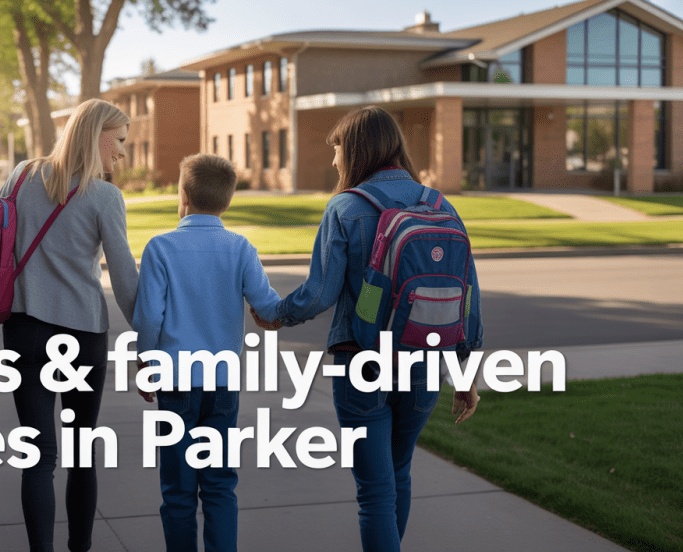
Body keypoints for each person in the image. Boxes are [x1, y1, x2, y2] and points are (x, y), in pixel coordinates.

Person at [257, 106, 483, 552]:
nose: (335, 160)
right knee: (399, 473)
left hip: (360, 358)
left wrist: (277, 315)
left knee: (375, 490)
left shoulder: (346, 207)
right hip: (425, 360)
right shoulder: (440, 205)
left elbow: (320, 294)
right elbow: (467, 294)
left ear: (358, 149)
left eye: (338, 148)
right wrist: (465, 373)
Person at [0, 98, 138, 552]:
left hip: (23, 329)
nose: (121, 152)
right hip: (82, 335)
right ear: (95, 133)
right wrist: (151, 343)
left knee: (37, 457)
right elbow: (124, 280)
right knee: (80, 456)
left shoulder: (21, 175)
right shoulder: (104, 196)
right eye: (118, 140)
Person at [133, 153, 281, 552]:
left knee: (178, 488)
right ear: (228, 199)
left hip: (176, 381)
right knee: (218, 484)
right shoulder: (240, 248)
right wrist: (275, 315)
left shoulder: (160, 248)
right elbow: (268, 306)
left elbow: (149, 318)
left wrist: (144, 362)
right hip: (222, 383)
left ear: (183, 194)